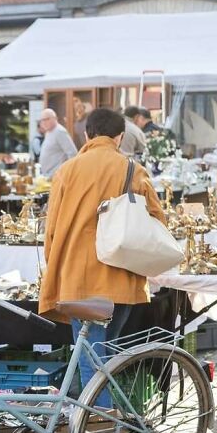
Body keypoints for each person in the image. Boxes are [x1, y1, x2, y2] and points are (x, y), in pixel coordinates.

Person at [39, 107, 165, 406]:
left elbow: (52, 230)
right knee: (103, 352)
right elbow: (158, 221)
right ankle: (112, 423)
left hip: (78, 279)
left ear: (87, 134)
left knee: (90, 357)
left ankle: (101, 430)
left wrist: (54, 267)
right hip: (122, 276)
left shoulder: (67, 170)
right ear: (120, 137)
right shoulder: (133, 169)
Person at [38, 108, 77, 177]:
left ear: (55, 118)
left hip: (58, 176)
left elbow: (72, 153)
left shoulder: (59, 131)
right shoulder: (49, 132)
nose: (43, 122)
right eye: (42, 120)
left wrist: (66, 173)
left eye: (46, 119)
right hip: (49, 176)